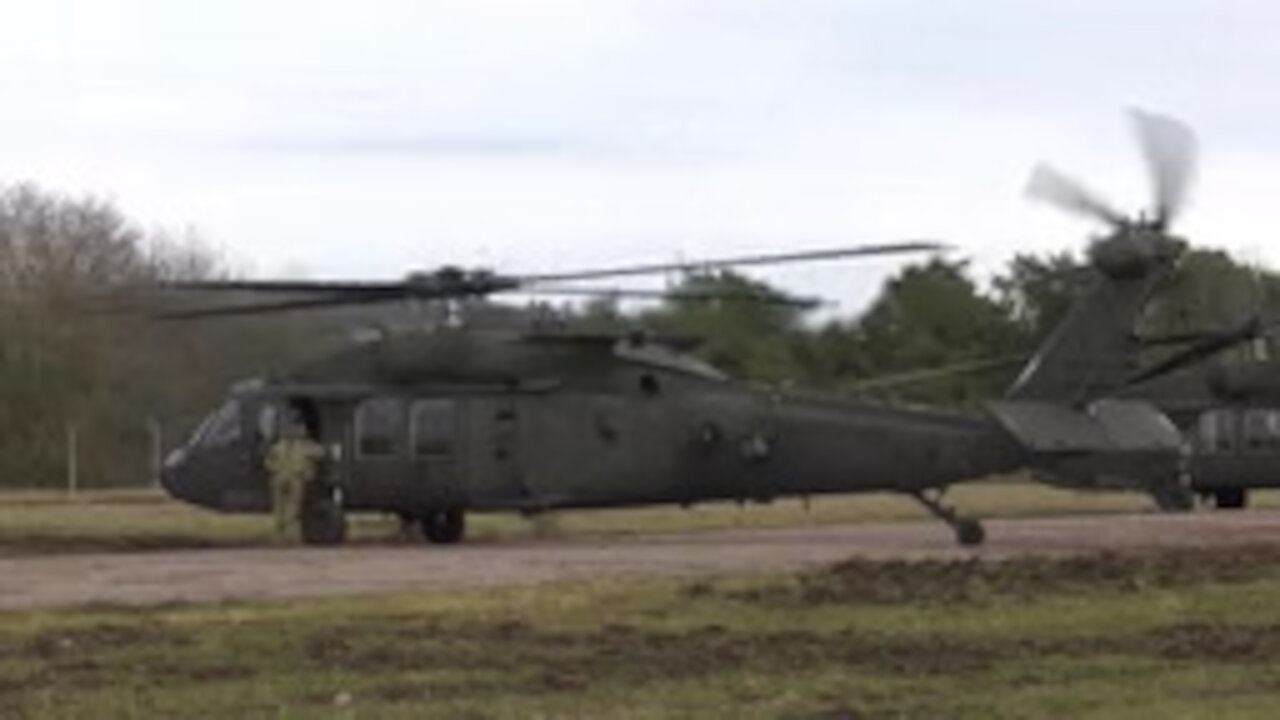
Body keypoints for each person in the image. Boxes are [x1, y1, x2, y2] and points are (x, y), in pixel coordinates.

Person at [265, 415, 326, 540]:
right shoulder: (279, 447)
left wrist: (308, 470)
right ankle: (281, 533)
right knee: (280, 507)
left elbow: (321, 453)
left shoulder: (304, 446)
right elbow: (267, 462)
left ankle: (288, 532)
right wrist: (275, 468)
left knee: (293, 507)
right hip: (281, 477)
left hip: (296, 477)